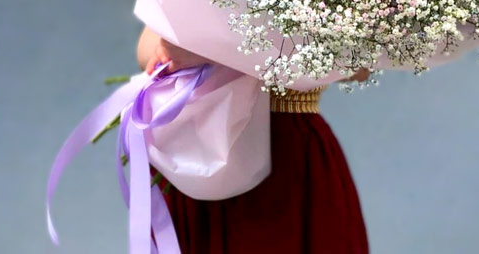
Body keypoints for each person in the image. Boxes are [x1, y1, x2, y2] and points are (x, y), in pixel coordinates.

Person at [136, 25, 371, 253]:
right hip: (202, 152)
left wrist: (214, 50)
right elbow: (148, 45)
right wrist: (173, 49)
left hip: (289, 151)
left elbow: (360, 63)